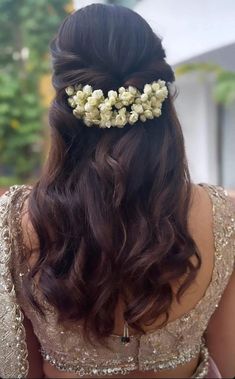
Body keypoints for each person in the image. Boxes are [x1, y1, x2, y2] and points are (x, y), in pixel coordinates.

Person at [0, 3, 235, 379]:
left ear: (62, 100)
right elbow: (230, 354)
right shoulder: (224, 215)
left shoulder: (15, 220)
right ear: (159, 97)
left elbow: (23, 366)